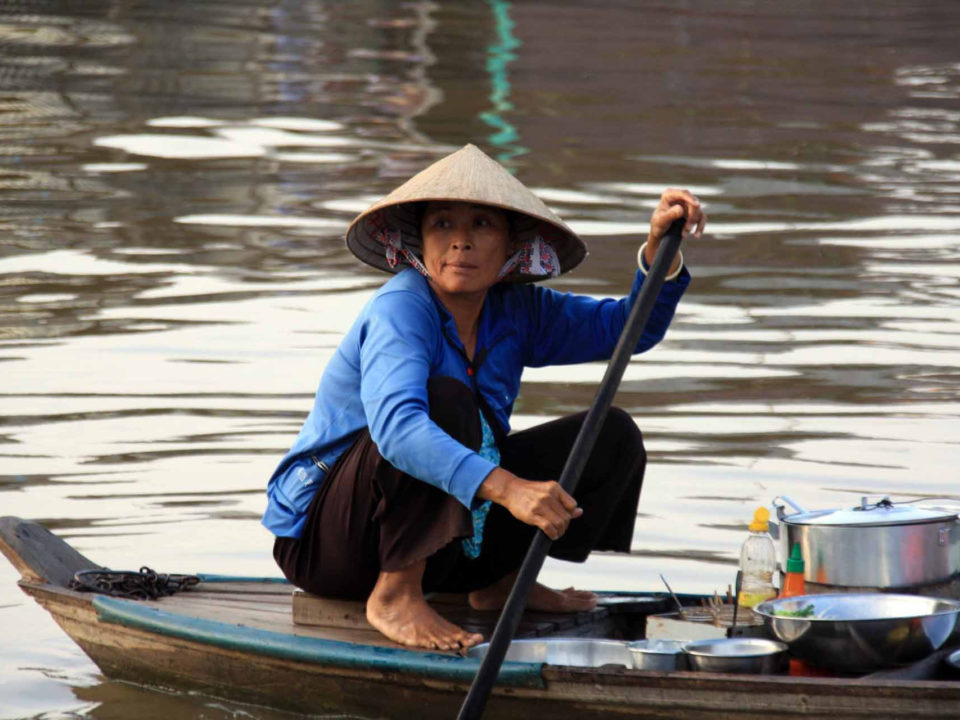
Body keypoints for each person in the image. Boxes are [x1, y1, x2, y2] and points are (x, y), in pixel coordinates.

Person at [262, 144, 705, 651]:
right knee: (445, 402)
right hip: (334, 543)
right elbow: (399, 430)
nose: (461, 244)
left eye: (482, 226)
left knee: (612, 433)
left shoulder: (516, 309)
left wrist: (658, 253)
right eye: (443, 225)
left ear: (511, 245)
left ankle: (495, 580)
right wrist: (510, 488)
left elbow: (630, 331)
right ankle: (395, 595)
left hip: (444, 541)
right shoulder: (401, 308)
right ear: (421, 241)